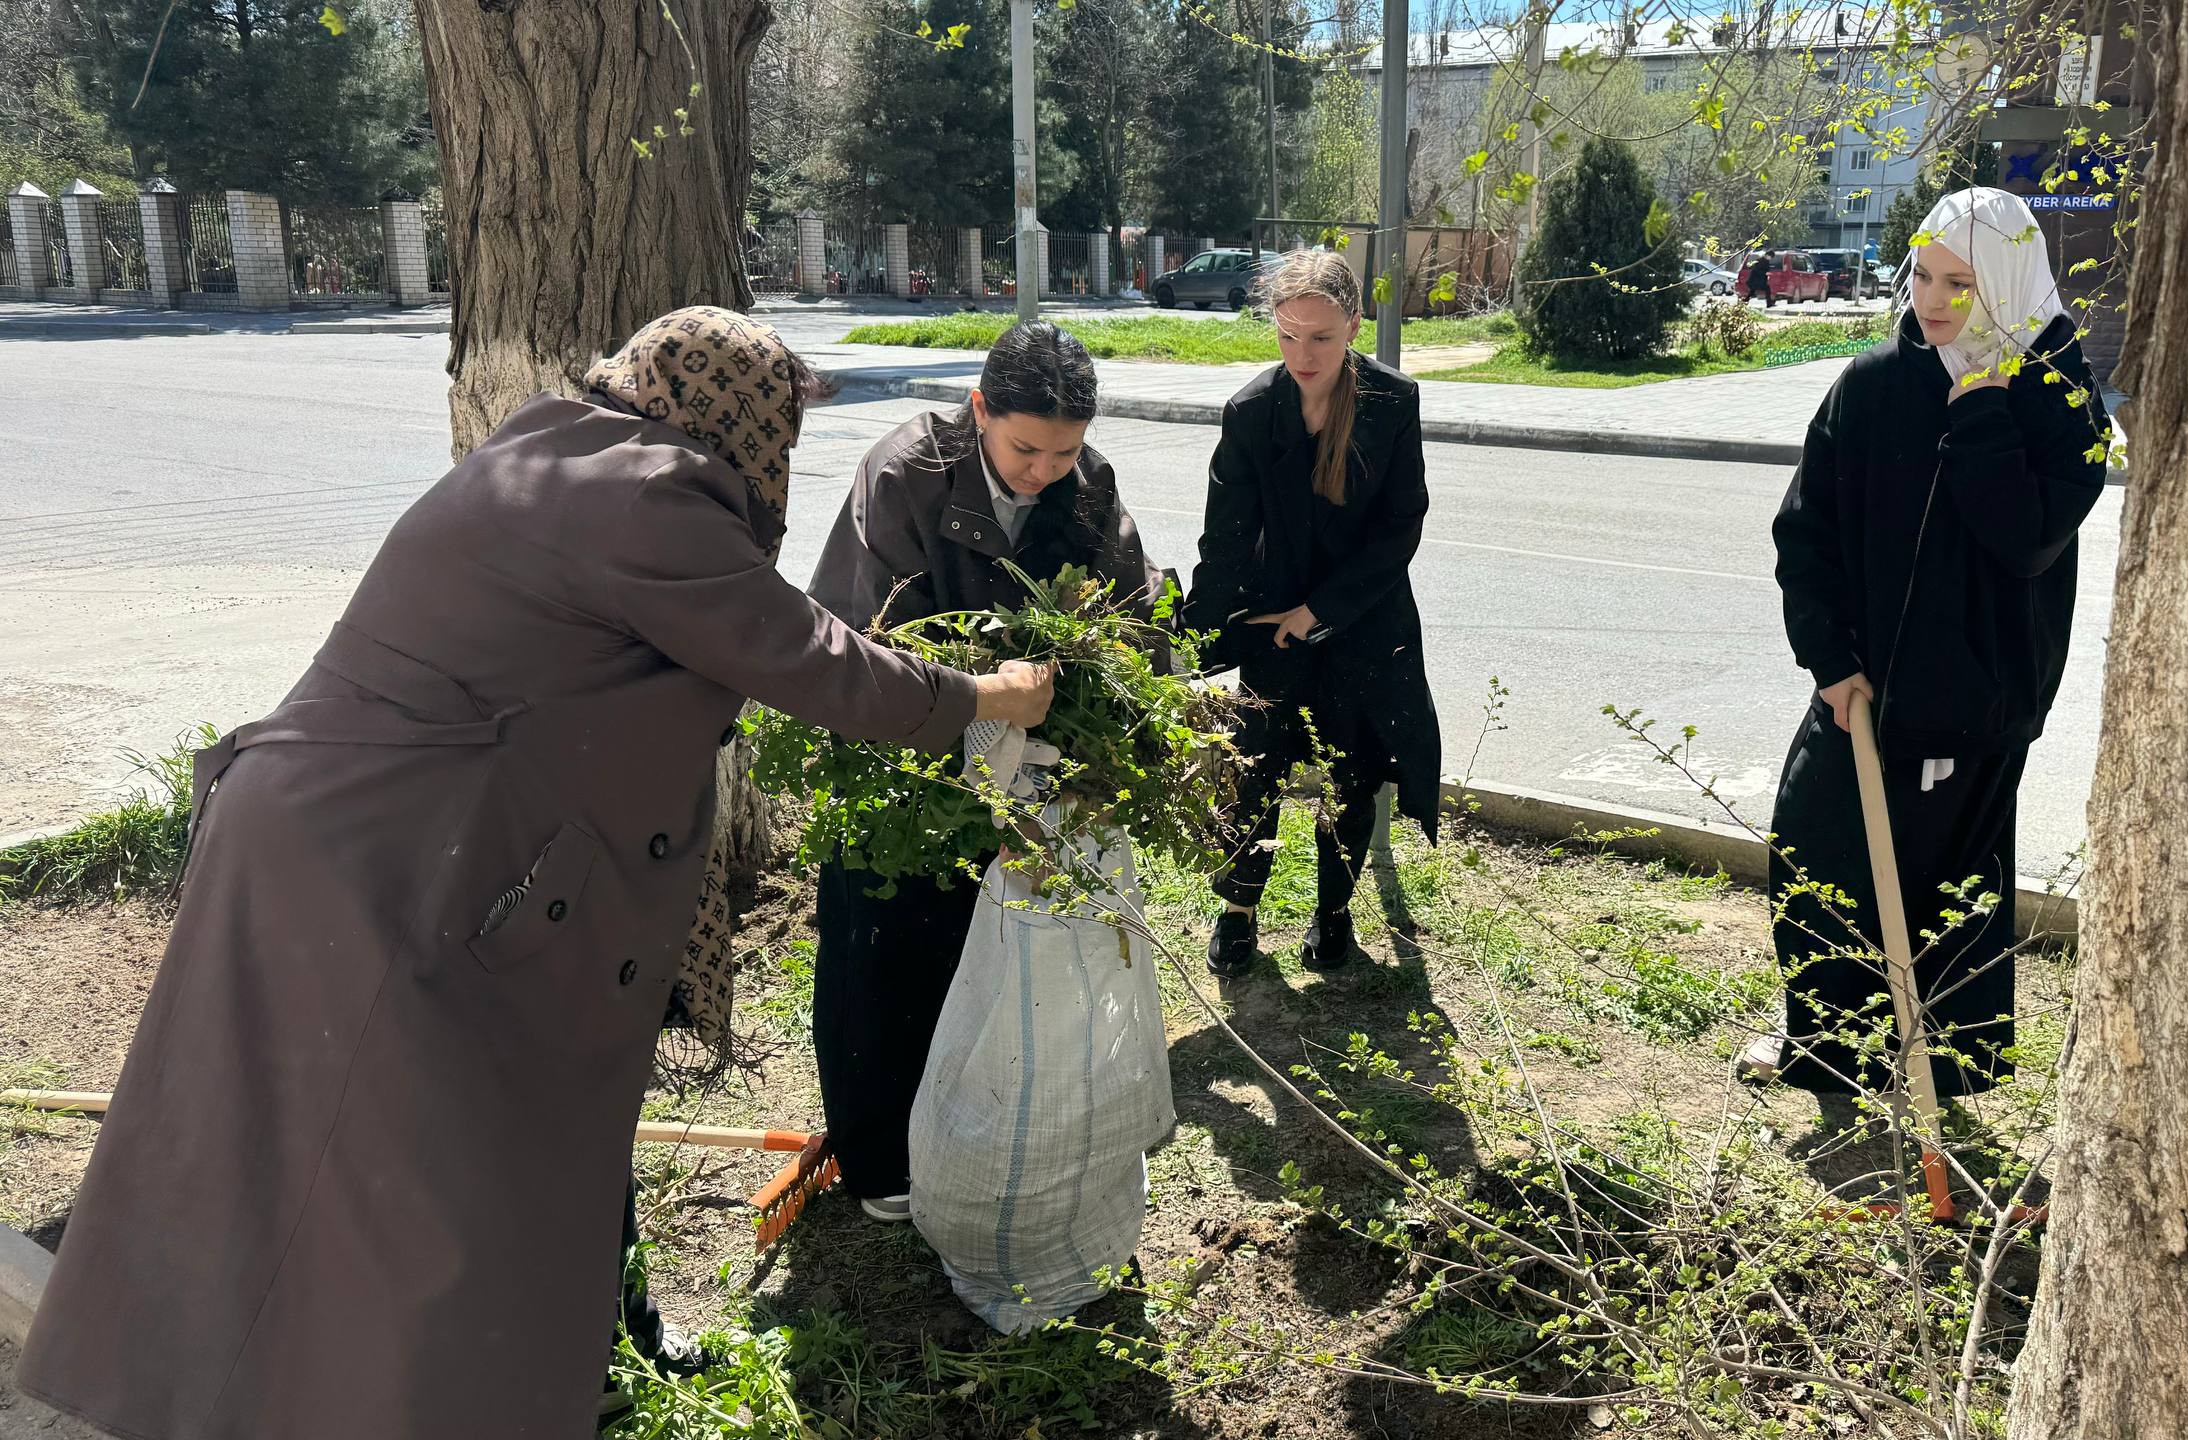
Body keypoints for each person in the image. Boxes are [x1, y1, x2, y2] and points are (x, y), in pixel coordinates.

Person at [16, 307, 1057, 1440]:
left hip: (336, 841)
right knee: (399, 1187)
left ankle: (256, 1389)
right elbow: (813, 663)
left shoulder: (555, 449)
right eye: (776, 435)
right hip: (384, 873)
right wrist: (993, 696)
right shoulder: (646, 496)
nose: (775, 467)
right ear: (735, 416)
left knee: (291, 1157)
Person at [1751, 187, 2108, 1100]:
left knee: (1949, 890)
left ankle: (1947, 1072)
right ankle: (1831, 1052)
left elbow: (2025, 539)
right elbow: (1808, 532)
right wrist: (1829, 659)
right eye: (1924, 275)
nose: (1936, 301)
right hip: (1860, 689)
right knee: (1816, 853)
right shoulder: (1871, 385)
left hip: (1975, 705)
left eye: (1965, 285)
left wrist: (1981, 406)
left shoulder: (2064, 406)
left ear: (2016, 288)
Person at [804, 320, 1165, 1224]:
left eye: (1065, 451)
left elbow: (1135, 607)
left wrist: (1130, 680)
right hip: (901, 760)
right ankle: (881, 1158)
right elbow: (868, 646)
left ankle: (972, 1133)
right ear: (978, 411)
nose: (1044, 470)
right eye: (1024, 448)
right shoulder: (906, 476)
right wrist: (982, 696)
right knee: (884, 951)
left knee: (988, 955)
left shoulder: (1086, 488)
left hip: (1016, 766)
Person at [1189, 248, 1439, 980]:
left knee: (1352, 774)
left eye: (1321, 337)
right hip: (1273, 618)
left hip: (1365, 616)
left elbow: (1401, 528)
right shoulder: (1251, 411)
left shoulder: (1393, 403)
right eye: (1288, 334)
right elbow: (1226, 538)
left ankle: (1334, 914)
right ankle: (1237, 912)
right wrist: (1195, 638)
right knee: (1254, 765)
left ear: (1354, 326)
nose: (1303, 353)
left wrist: (1321, 611)